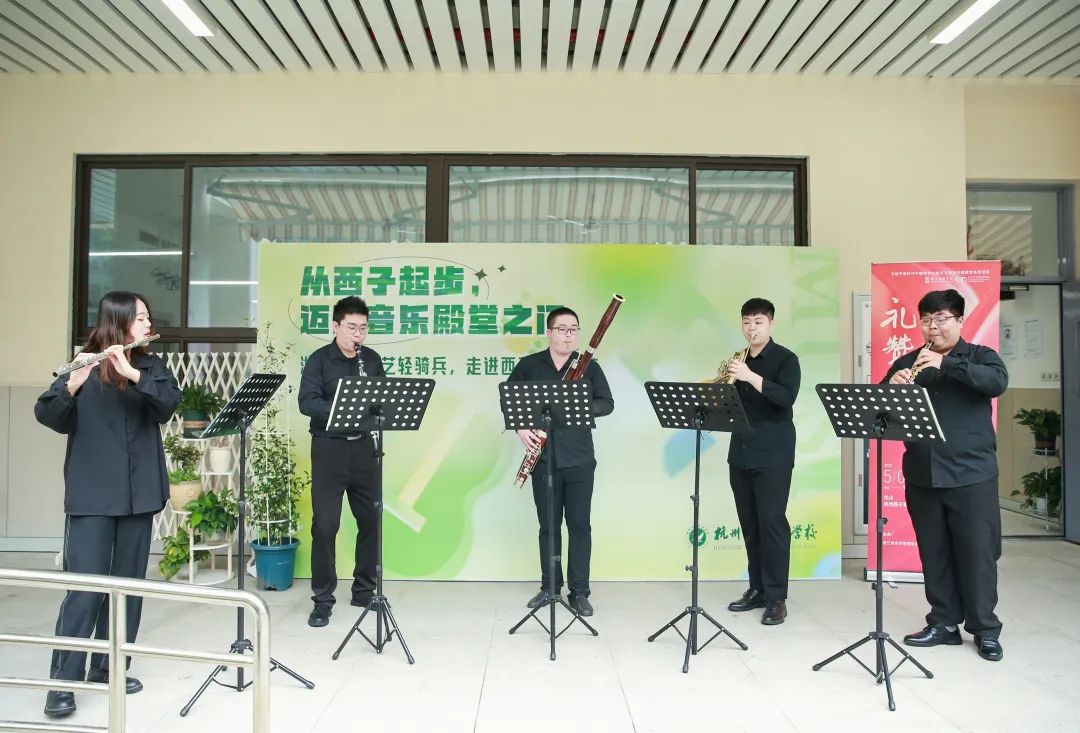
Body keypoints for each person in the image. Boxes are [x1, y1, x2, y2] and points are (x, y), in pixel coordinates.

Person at [35, 291, 181, 719]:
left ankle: (109, 667)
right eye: (141, 318)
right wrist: (72, 385)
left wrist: (133, 374)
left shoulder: (150, 367)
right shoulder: (82, 364)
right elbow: (49, 415)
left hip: (139, 495)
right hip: (93, 497)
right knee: (84, 591)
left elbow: (167, 406)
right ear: (118, 321)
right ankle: (62, 682)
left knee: (129, 589)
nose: (148, 324)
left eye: (147, 318)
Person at [884, 289, 1008, 662]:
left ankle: (985, 629)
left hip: (972, 475)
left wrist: (946, 364)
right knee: (934, 553)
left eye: (941, 319)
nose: (932, 327)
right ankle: (943, 623)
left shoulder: (981, 357)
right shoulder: (908, 361)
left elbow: (996, 384)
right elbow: (882, 412)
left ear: (959, 320)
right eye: (926, 320)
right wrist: (891, 389)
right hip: (923, 474)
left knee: (977, 554)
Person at [507, 307, 614, 617]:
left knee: (579, 526)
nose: (569, 335)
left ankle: (579, 592)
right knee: (549, 527)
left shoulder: (589, 367)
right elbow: (509, 400)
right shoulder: (529, 366)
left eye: (574, 329)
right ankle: (550, 587)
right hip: (544, 460)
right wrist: (522, 429)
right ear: (549, 332)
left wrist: (575, 405)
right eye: (562, 329)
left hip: (580, 459)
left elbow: (607, 403)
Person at [298, 296, 386, 628]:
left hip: (364, 448)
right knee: (325, 526)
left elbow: (383, 400)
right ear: (335, 326)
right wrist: (342, 409)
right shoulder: (319, 360)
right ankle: (322, 600)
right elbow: (307, 402)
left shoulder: (371, 359)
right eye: (351, 327)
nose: (357, 334)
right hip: (329, 449)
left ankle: (364, 590)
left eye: (363, 328)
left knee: (371, 520)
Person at [724, 298, 801, 626]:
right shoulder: (738, 358)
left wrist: (749, 376)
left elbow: (786, 398)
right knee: (750, 525)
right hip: (741, 450)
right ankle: (756, 588)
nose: (751, 328)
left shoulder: (786, 359)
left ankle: (776, 598)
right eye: (746, 322)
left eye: (758, 322)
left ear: (771, 324)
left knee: (772, 523)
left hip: (773, 453)